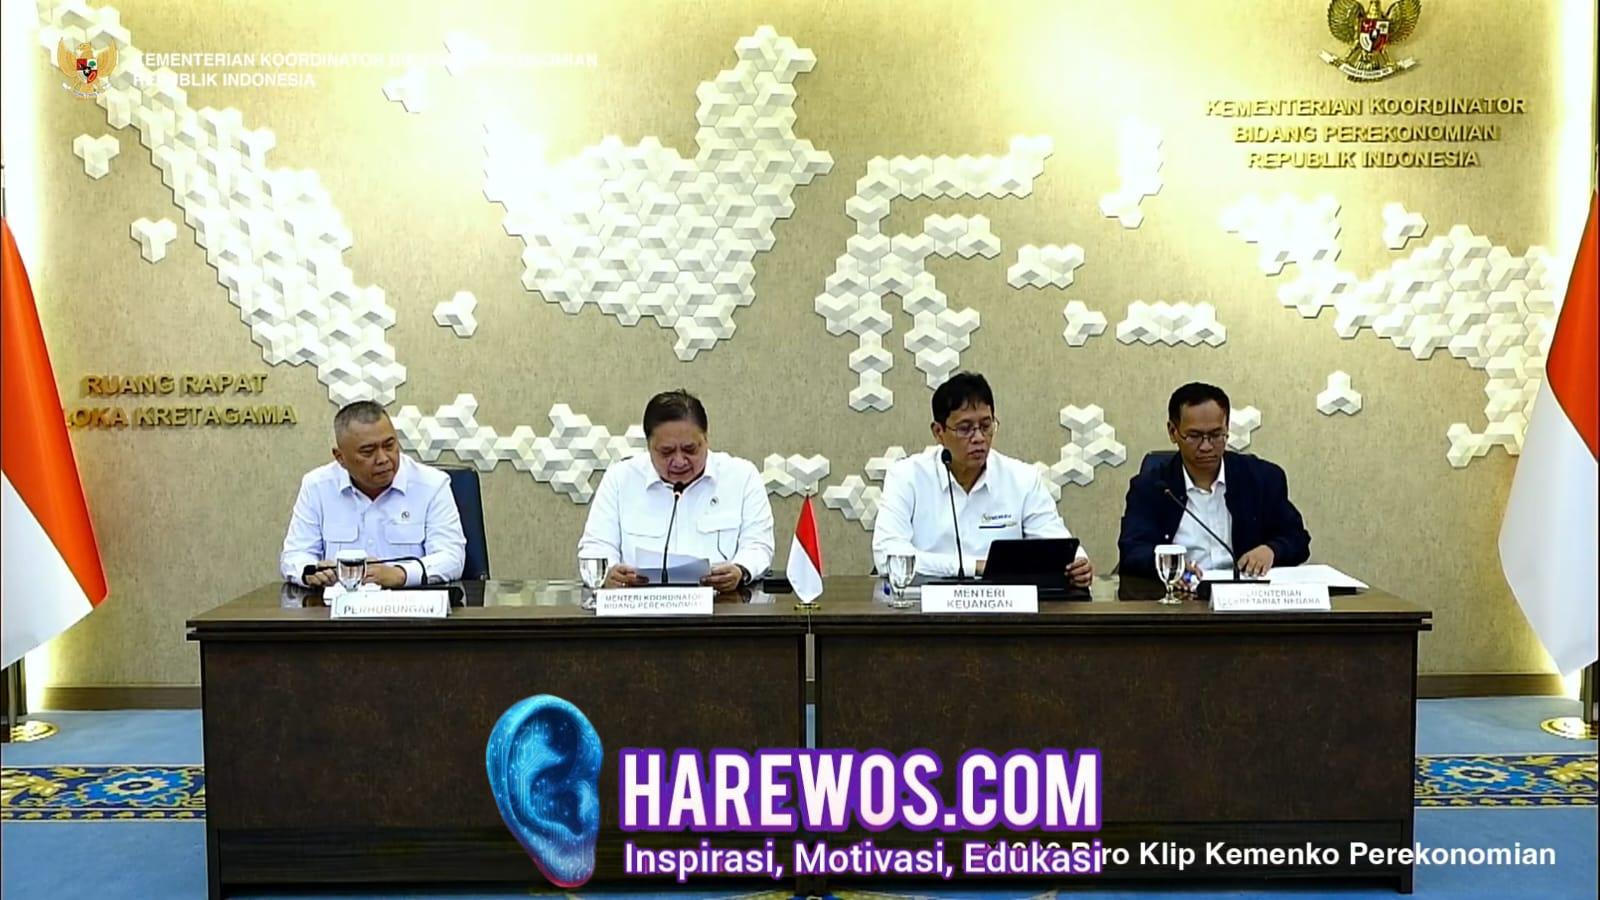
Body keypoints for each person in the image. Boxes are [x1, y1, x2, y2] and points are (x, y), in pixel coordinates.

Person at [872, 371, 1094, 585]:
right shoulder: (906, 477)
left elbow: (1057, 544)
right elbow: (888, 557)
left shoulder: (1023, 479)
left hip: (1004, 607)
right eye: (965, 429)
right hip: (925, 605)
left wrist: (1077, 563)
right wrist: (975, 567)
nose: (979, 438)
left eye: (986, 426)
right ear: (939, 432)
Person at [578, 389, 774, 592]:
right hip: (639, 606)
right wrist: (609, 574)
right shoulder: (620, 479)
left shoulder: (741, 476)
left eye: (690, 449)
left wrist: (741, 569)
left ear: (706, 439)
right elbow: (595, 548)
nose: (679, 461)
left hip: (721, 605)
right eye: (667, 452)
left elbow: (758, 545)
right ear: (649, 446)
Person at [1117, 382, 1311, 581]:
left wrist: (1271, 550)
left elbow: (1297, 539)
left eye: (1216, 435)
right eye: (1194, 436)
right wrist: (1171, 566)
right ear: (1173, 432)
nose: (1206, 446)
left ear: (1227, 428)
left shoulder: (1262, 478)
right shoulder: (1152, 487)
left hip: (1244, 592)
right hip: (1182, 592)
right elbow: (1133, 551)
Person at [280, 401, 466, 587]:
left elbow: (451, 557)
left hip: (409, 602)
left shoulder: (432, 485)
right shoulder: (317, 487)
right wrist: (310, 572)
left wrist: (401, 574)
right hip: (339, 602)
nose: (383, 459)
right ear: (340, 458)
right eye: (368, 452)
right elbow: (295, 555)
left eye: (389, 445)